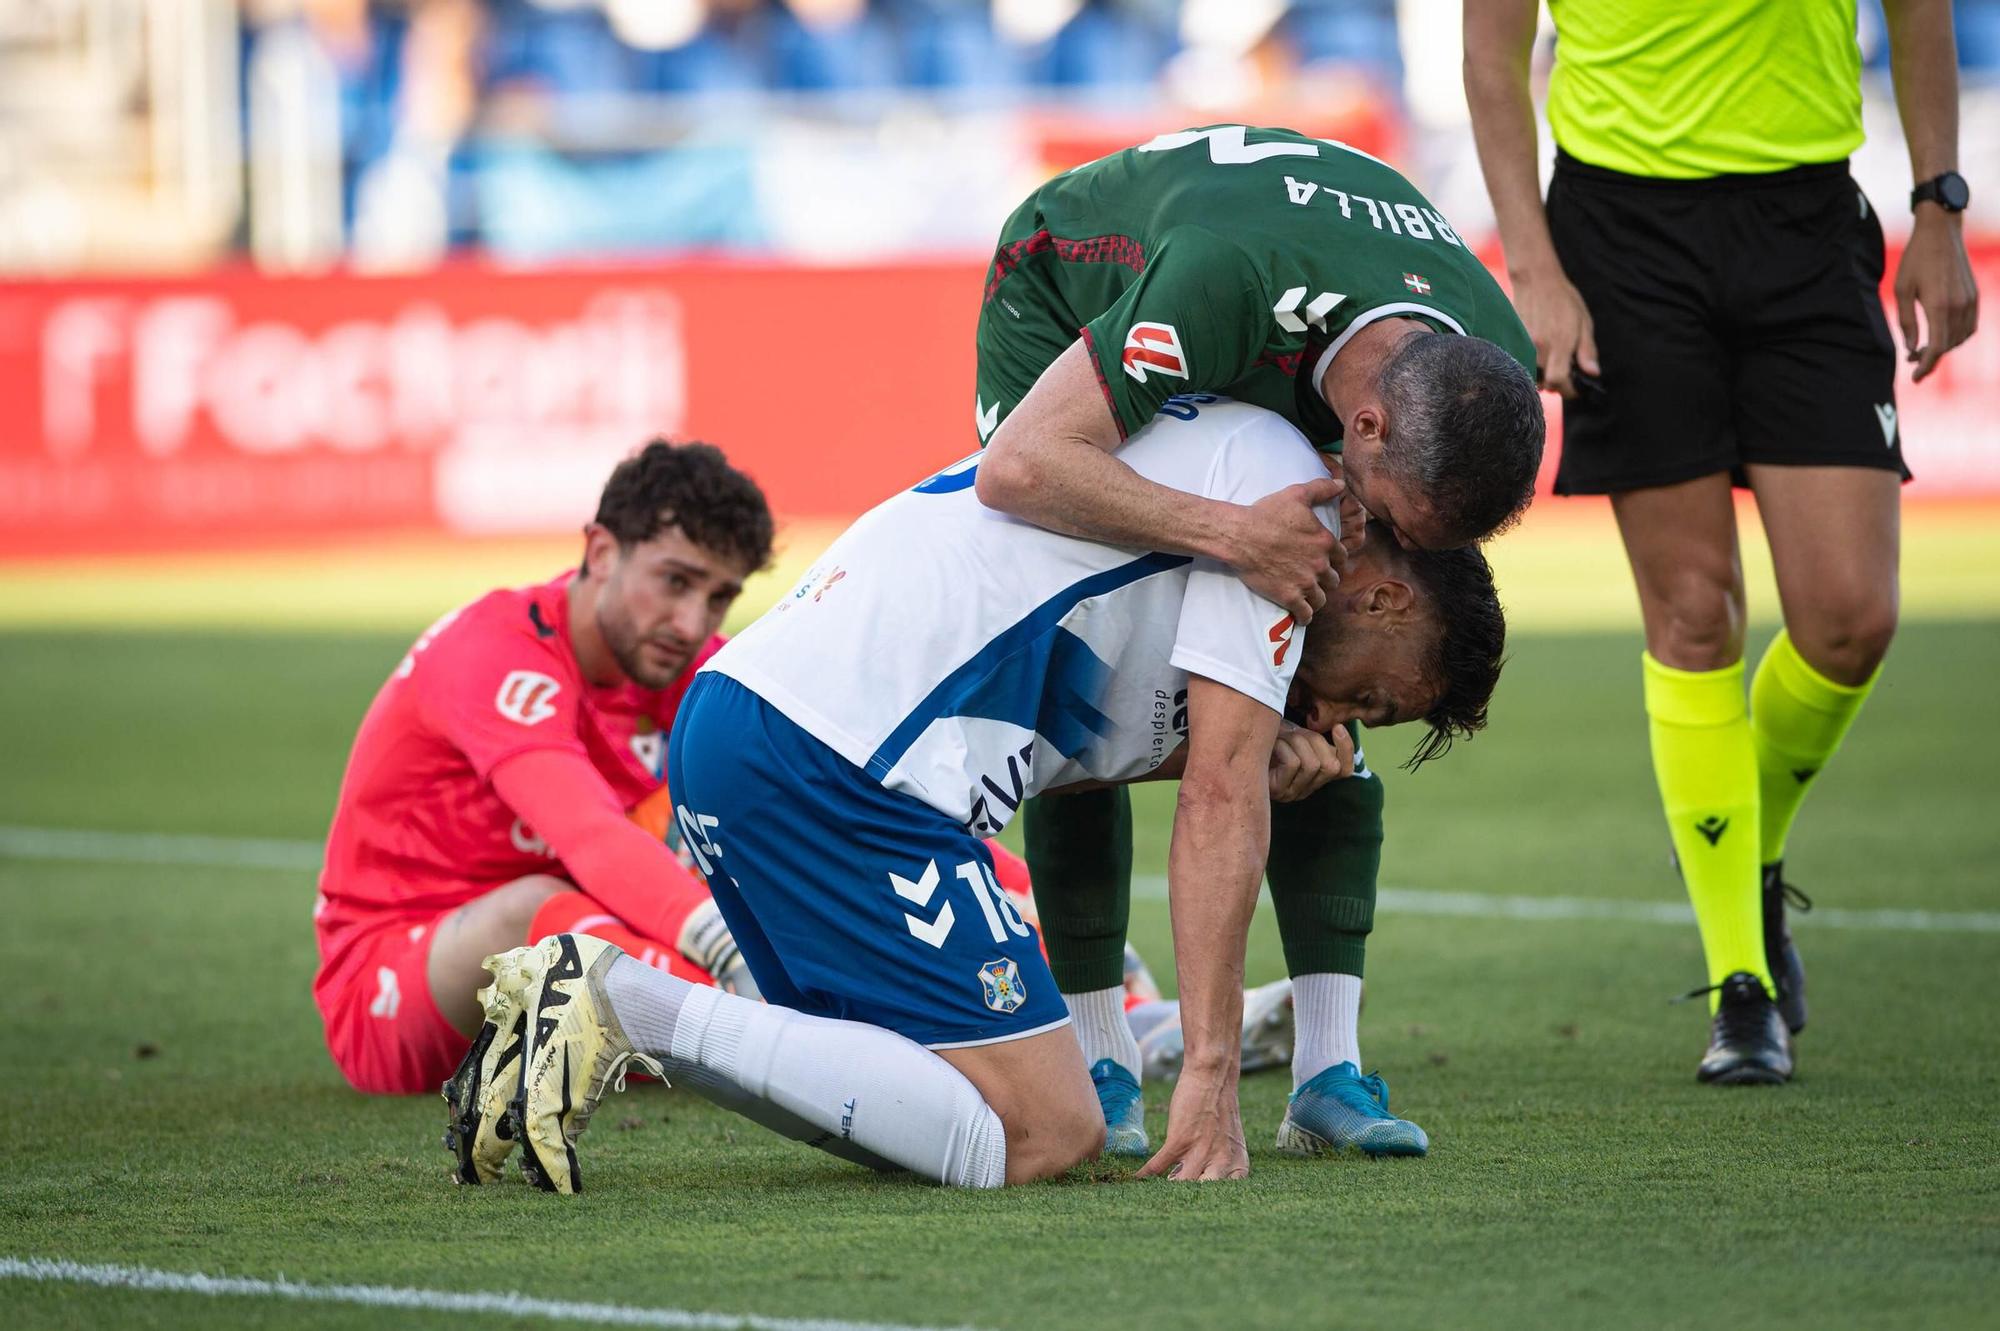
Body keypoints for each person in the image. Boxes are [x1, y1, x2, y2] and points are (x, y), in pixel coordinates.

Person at [451, 395, 1509, 1192]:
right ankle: (623, 998)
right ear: (1379, 592)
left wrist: (1240, 749)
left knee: (916, 1090)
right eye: (1370, 695)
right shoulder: (1287, 532)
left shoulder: (1219, 487)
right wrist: (1208, 1075)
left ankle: (628, 1011)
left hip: (758, 728)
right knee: (1048, 1131)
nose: (1338, 718)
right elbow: (1218, 808)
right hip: (841, 763)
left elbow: (1068, 734)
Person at [970, 124, 1544, 1152]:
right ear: (1362, 429)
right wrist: (1228, 532)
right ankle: (1102, 1055)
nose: (1390, 554)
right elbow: (1019, 470)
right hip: (1072, 292)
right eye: (1397, 523)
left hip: (1264, 337)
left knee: (1317, 683)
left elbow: (1376, 574)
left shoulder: (1478, 360)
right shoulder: (1223, 282)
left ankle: (1329, 1066)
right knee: (1087, 667)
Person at [1465, 0, 1978, 1082]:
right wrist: (1533, 269)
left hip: (1803, 223)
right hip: (1618, 236)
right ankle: (1739, 983)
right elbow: (1490, 52)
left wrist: (1936, 205)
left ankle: (1741, 838)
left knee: (1849, 620)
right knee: (1693, 614)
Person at [313, 440, 774, 1134]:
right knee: (533, 915)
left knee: (757, 847)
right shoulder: (498, 650)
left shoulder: (690, 666)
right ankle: (765, 1032)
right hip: (402, 975)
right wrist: (732, 954)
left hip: (590, 934)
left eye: (719, 596)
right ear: (600, 553)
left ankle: (742, 1023)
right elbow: (589, 833)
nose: (693, 622)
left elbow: (836, 800)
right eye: (675, 581)